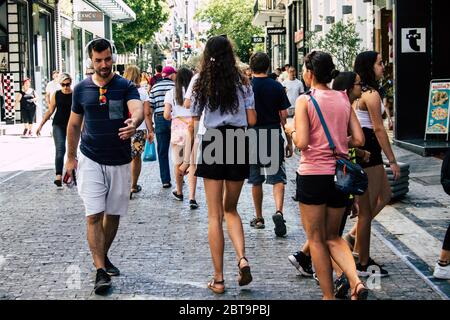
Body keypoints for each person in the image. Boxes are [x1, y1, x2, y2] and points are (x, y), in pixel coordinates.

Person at [284, 51, 368, 300]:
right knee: (334, 236)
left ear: (309, 73)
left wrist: (291, 130)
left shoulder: (305, 101)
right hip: (339, 175)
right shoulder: (343, 99)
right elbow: (360, 139)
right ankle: (356, 282)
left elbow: (302, 142)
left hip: (313, 175)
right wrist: (340, 143)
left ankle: (328, 297)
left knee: (316, 239)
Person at [65, 38, 144, 295]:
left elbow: (137, 108)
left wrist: (135, 121)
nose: (104, 65)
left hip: (120, 160)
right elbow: (74, 125)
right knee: (94, 214)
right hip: (90, 157)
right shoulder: (81, 89)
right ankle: (100, 271)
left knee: (113, 214)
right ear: (90, 60)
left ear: (114, 57)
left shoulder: (125, 86)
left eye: (108, 59)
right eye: (98, 60)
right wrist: (70, 157)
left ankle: (103, 255)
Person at [180, 35, 257, 294]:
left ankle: (219, 278)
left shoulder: (200, 81)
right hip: (238, 141)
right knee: (231, 209)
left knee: (214, 216)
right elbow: (252, 119)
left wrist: (186, 158)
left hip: (213, 141)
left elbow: (192, 120)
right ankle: (242, 258)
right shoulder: (243, 81)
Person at [344, 51, 401, 277]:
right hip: (371, 154)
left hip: (361, 152)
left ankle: (353, 237)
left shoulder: (356, 93)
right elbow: (379, 129)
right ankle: (363, 261)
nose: (383, 67)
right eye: (379, 63)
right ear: (369, 66)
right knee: (366, 212)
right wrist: (393, 160)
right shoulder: (372, 95)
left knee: (385, 196)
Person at [247, 52, 293, 236]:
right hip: (273, 133)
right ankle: (279, 211)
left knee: (255, 179)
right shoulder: (276, 86)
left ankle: (259, 218)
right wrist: (289, 141)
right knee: (277, 177)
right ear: (267, 66)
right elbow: (284, 117)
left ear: (251, 67)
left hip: (252, 135)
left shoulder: (247, 87)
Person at [163, 67, 198, 209]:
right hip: (193, 126)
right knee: (192, 163)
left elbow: (166, 115)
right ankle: (192, 197)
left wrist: (176, 116)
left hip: (178, 127)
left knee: (178, 162)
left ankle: (179, 191)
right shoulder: (195, 93)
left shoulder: (171, 93)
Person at [36, 73, 73, 188]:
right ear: (60, 84)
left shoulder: (75, 95)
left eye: (68, 84)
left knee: (72, 151)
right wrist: (41, 125)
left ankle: (71, 173)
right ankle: (58, 176)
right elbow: (50, 111)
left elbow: (80, 112)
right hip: (58, 125)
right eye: (63, 84)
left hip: (71, 126)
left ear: (70, 83)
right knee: (60, 149)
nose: (66, 87)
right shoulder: (56, 95)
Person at [123, 65, 154, 198]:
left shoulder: (120, 90)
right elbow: (147, 113)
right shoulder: (142, 93)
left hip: (122, 128)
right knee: (136, 158)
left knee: (123, 157)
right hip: (138, 129)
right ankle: (133, 185)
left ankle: (123, 184)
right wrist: (150, 130)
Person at [149, 66, 177, 188]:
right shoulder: (175, 87)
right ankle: (180, 176)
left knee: (162, 151)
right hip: (174, 118)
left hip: (160, 118)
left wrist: (150, 126)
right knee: (178, 149)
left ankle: (165, 180)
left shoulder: (154, 87)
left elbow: (150, 107)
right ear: (171, 75)